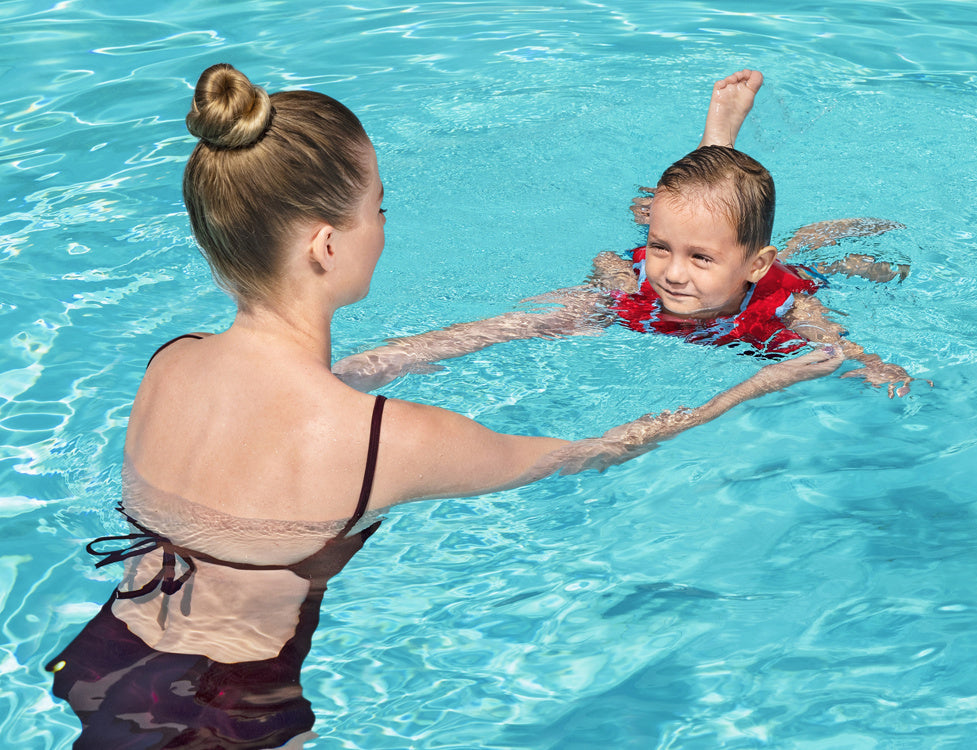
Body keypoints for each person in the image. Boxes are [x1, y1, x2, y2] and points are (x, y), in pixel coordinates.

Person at [46, 63, 842, 747]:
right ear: (329, 244)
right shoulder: (385, 440)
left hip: (104, 654)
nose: (385, 228)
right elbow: (598, 450)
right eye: (379, 209)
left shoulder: (170, 364)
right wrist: (756, 385)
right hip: (225, 702)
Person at [335, 70, 918, 399]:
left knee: (837, 258)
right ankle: (711, 149)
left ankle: (728, 153)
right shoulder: (641, 288)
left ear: (753, 267)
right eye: (662, 249)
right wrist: (390, 358)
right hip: (688, 250)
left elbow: (831, 343)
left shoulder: (782, 303)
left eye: (698, 260)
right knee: (684, 216)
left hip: (782, 265)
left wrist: (871, 362)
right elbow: (511, 326)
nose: (673, 273)